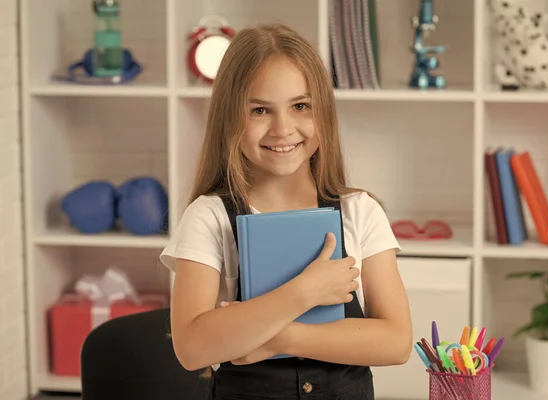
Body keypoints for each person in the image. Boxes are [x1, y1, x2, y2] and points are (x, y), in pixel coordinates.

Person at [159, 22, 413, 400]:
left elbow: (396, 342)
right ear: (231, 118)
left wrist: (280, 336)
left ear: (323, 112)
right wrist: (304, 292)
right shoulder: (208, 218)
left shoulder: (360, 211)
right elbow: (193, 347)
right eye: (260, 109)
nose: (283, 128)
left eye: (300, 106)